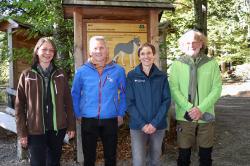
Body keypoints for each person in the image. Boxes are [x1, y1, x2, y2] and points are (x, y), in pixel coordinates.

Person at [15, 37, 76, 166]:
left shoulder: (60, 74)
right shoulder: (27, 75)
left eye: (51, 50)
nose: (48, 53)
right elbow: (19, 107)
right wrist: (22, 132)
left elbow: (68, 102)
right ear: (37, 51)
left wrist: (71, 125)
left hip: (57, 129)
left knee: (54, 162)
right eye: (44, 49)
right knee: (37, 163)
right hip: (35, 129)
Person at [169, 30, 222, 166]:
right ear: (182, 45)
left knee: (205, 158)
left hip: (206, 115)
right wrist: (190, 108)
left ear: (201, 43)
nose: (191, 45)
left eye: (195, 42)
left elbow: (217, 89)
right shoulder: (177, 64)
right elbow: (174, 89)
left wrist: (201, 108)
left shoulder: (211, 63)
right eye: (187, 43)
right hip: (184, 116)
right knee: (183, 157)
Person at [71, 36, 126, 166]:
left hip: (110, 118)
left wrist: (121, 112)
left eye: (101, 47)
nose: (98, 51)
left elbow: (124, 93)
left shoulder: (118, 71)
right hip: (88, 119)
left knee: (111, 157)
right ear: (90, 51)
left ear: (107, 50)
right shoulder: (82, 71)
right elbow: (75, 94)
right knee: (89, 158)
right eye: (95, 48)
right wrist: (78, 113)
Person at [126, 43, 171, 166]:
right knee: (138, 161)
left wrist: (154, 123)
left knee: (155, 160)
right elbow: (129, 102)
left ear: (154, 55)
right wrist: (143, 125)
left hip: (158, 126)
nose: (146, 56)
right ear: (139, 57)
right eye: (142, 54)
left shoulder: (161, 76)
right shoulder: (132, 76)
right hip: (138, 126)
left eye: (149, 53)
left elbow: (166, 101)